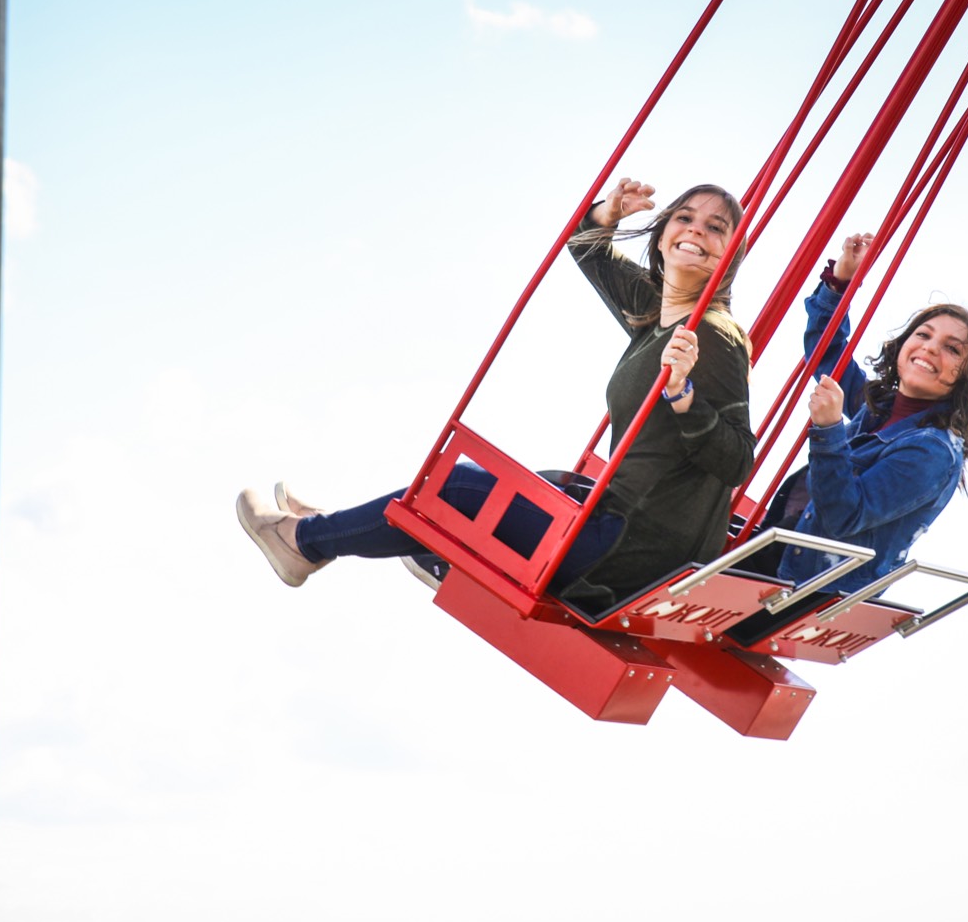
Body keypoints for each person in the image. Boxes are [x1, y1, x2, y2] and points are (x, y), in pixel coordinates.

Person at [236, 177, 756, 615]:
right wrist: (610, 211)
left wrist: (683, 394)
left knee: (456, 489)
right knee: (491, 488)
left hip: (630, 551)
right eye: (684, 218)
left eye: (716, 228)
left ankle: (304, 541)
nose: (696, 232)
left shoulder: (712, 335)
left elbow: (737, 460)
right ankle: (333, 529)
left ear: (732, 254)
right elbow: (584, 245)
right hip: (620, 529)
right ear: (663, 233)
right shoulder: (655, 313)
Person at [763, 232, 968, 595]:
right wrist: (840, 282)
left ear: (965, 375)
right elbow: (827, 354)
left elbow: (845, 516)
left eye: (951, 349)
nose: (930, 349)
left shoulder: (931, 451)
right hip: (788, 555)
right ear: (903, 345)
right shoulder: (880, 407)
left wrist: (827, 431)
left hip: (814, 590)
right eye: (923, 335)